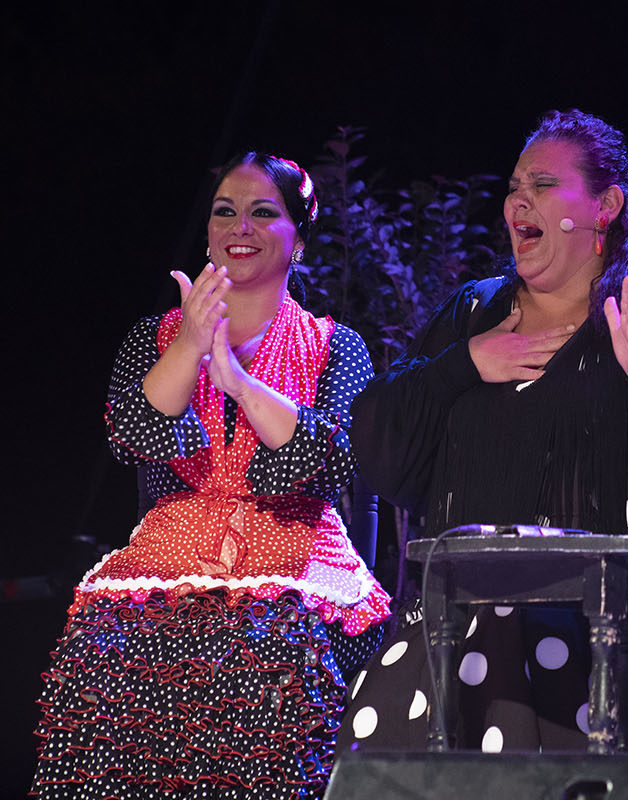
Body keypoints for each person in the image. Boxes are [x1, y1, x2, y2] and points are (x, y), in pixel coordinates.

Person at [340, 109, 628, 754]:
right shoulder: (475, 312)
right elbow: (377, 444)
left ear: (606, 206)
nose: (517, 204)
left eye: (541, 185)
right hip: (454, 617)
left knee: (509, 631)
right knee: (425, 670)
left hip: (605, 618)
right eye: (513, 188)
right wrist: (464, 365)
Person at [30, 154, 391, 799]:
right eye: (225, 211)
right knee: (100, 653)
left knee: (268, 653)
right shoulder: (157, 336)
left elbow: (331, 460)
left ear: (299, 240)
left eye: (262, 212)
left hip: (294, 558)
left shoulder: (337, 346)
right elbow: (134, 435)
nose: (239, 226)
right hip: (171, 554)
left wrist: (240, 382)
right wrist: (192, 345)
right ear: (207, 234)